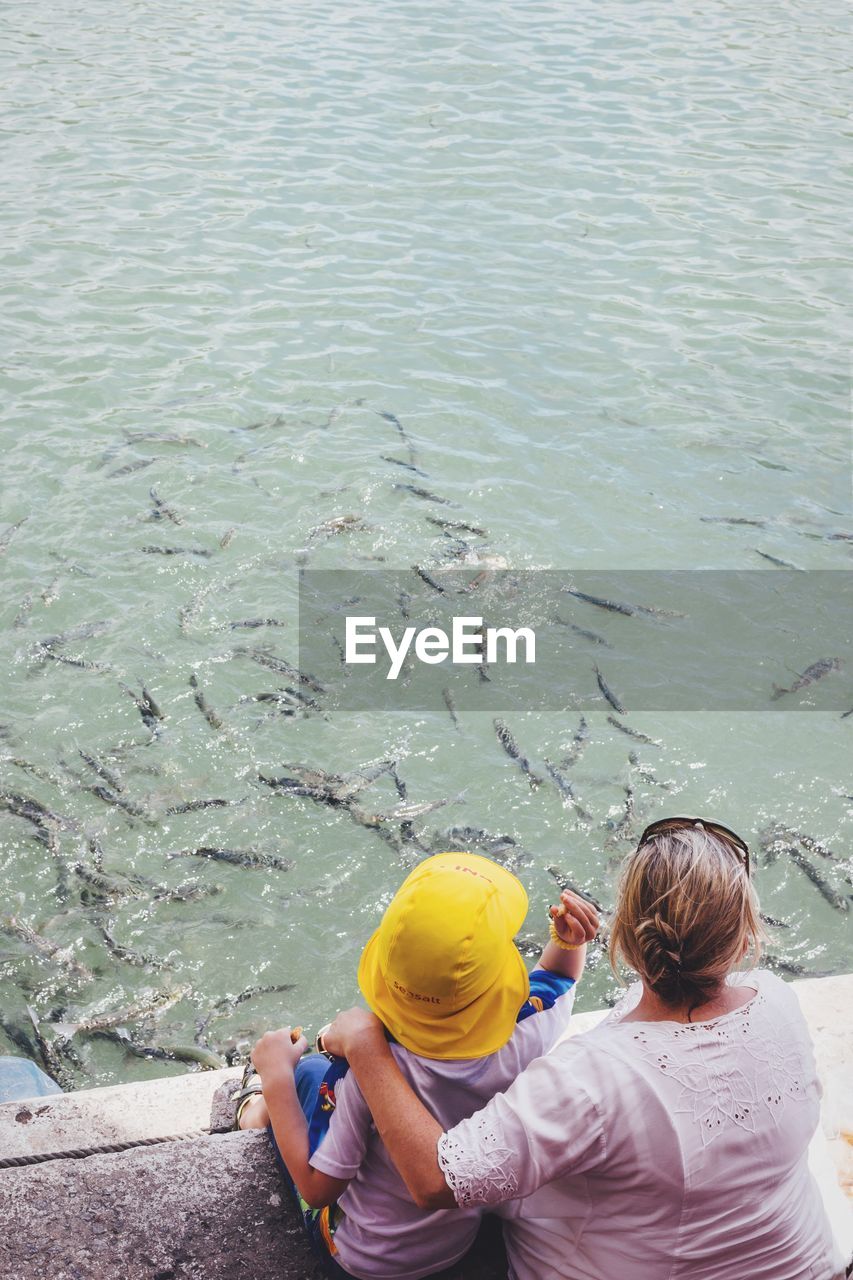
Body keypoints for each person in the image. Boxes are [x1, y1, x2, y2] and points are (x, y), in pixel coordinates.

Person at [323, 818, 846, 1280]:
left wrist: (369, 1050)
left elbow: (437, 1181)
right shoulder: (774, 998)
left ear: (627, 937)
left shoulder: (589, 1079)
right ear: (743, 932)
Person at [238, 851, 598, 1279]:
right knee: (318, 1075)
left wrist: (276, 1076)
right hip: (454, 1245)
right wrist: (569, 941)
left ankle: (255, 1108)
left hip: (363, 1261)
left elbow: (318, 1189)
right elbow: (560, 979)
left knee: (308, 1075)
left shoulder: (362, 1074)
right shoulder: (529, 1029)